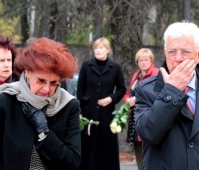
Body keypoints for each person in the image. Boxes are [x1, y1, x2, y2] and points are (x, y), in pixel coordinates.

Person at [134, 21, 199, 170]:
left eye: (186, 51)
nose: (178, 58)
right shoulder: (146, 89)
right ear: (165, 53)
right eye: (172, 52)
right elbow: (148, 134)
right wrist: (171, 92)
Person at [0, 37, 81, 170]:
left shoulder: (68, 106)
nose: (47, 89)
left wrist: (44, 133)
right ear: (27, 72)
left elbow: (72, 163)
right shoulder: (6, 101)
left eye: (54, 83)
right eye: (41, 81)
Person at [77, 37, 126, 170]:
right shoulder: (86, 65)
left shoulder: (115, 67)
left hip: (106, 115)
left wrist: (111, 98)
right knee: (88, 144)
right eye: (96, 48)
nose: (98, 50)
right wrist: (79, 112)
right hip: (88, 113)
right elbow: (80, 90)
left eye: (101, 48)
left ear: (108, 50)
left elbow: (122, 89)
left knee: (106, 146)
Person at [123, 48, 159, 170]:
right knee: (139, 153)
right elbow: (129, 93)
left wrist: (138, 99)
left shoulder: (157, 74)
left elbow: (158, 96)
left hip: (149, 117)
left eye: (146, 60)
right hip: (135, 117)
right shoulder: (136, 75)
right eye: (140, 60)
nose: (143, 62)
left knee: (150, 155)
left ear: (151, 61)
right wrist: (128, 100)